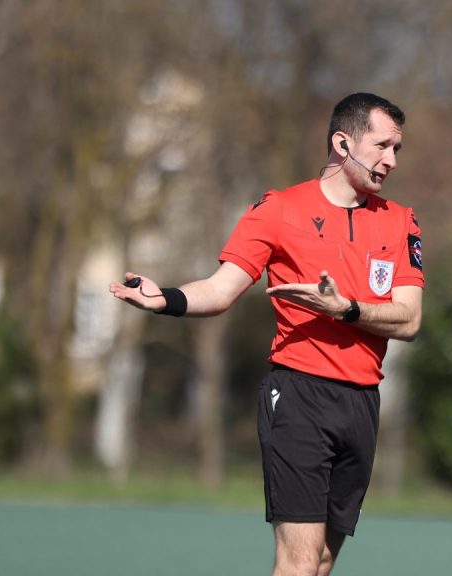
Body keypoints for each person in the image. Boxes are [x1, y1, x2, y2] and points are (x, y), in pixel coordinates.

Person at [109, 92, 423, 576]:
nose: (392, 161)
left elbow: (409, 319)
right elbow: (220, 289)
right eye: (382, 146)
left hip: (363, 402)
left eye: (397, 149)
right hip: (299, 396)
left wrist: (344, 309)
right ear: (343, 143)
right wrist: (165, 298)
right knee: (299, 562)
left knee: (321, 561)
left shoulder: (401, 221)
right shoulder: (279, 209)